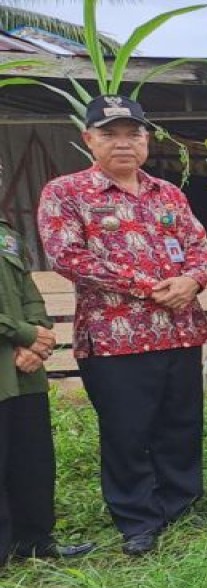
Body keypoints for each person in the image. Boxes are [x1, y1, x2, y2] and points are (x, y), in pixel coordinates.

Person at [39, 95, 207, 556]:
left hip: (179, 330)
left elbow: (200, 244)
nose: (123, 143)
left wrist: (192, 280)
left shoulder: (168, 192)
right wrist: (147, 286)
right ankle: (138, 519)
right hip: (115, 337)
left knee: (181, 424)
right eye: (110, 134)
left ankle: (180, 505)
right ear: (89, 139)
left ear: (146, 139)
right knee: (127, 431)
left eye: (132, 133)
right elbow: (67, 256)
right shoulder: (67, 192)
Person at [0, 159, 96, 565]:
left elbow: (28, 291)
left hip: (22, 371)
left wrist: (37, 336)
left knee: (32, 457)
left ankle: (34, 539)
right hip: (10, 355)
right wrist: (23, 335)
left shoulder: (6, 235)